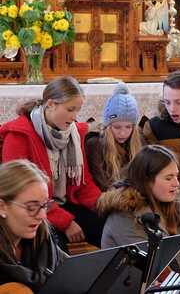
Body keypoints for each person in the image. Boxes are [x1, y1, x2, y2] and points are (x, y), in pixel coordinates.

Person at [0, 76, 103, 252]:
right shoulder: (19, 135)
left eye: (77, 110)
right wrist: (65, 221)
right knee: (54, 247)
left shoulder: (73, 134)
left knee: (109, 225)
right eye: (70, 109)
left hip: (65, 202)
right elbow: (19, 191)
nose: (74, 117)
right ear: (50, 104)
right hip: (32, 209)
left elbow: (83, 182)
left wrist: (104, 204)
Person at [0, 159, 66, 293]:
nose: (42, 216)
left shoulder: (44, 237)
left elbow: (73, 272)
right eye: (31, 207)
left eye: (44, 206)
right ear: (2, 207)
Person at [97, 144, 180, 249]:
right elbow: (152, 262)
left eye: (177, 176)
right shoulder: (124, 217)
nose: (176, 184)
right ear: (146, 181)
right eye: (168, 178)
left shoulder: (168, 204)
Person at [85, 82, 143, 192]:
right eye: (117, 127)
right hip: (109, 197)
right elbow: (102, 184)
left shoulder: (138, 141)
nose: (123, 133)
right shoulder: (95, 144)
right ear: (108, 126)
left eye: (128, 127)